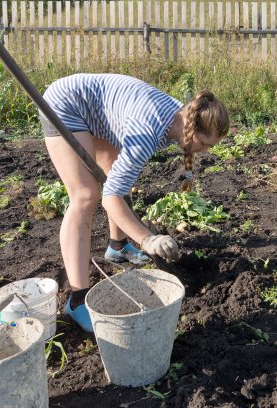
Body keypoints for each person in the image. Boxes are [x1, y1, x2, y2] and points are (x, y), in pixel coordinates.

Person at [40, 73, 229, 332]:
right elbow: (111, 198)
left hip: (100, 109)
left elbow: (120, 179)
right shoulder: (147, 131)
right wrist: (147, 238)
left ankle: (118, 246)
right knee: (86, 195)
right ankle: (77, 300)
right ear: (192, 131)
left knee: (116, 171)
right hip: (67, 104)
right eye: (205, 144)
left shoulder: (182, 117)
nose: (205, 151)